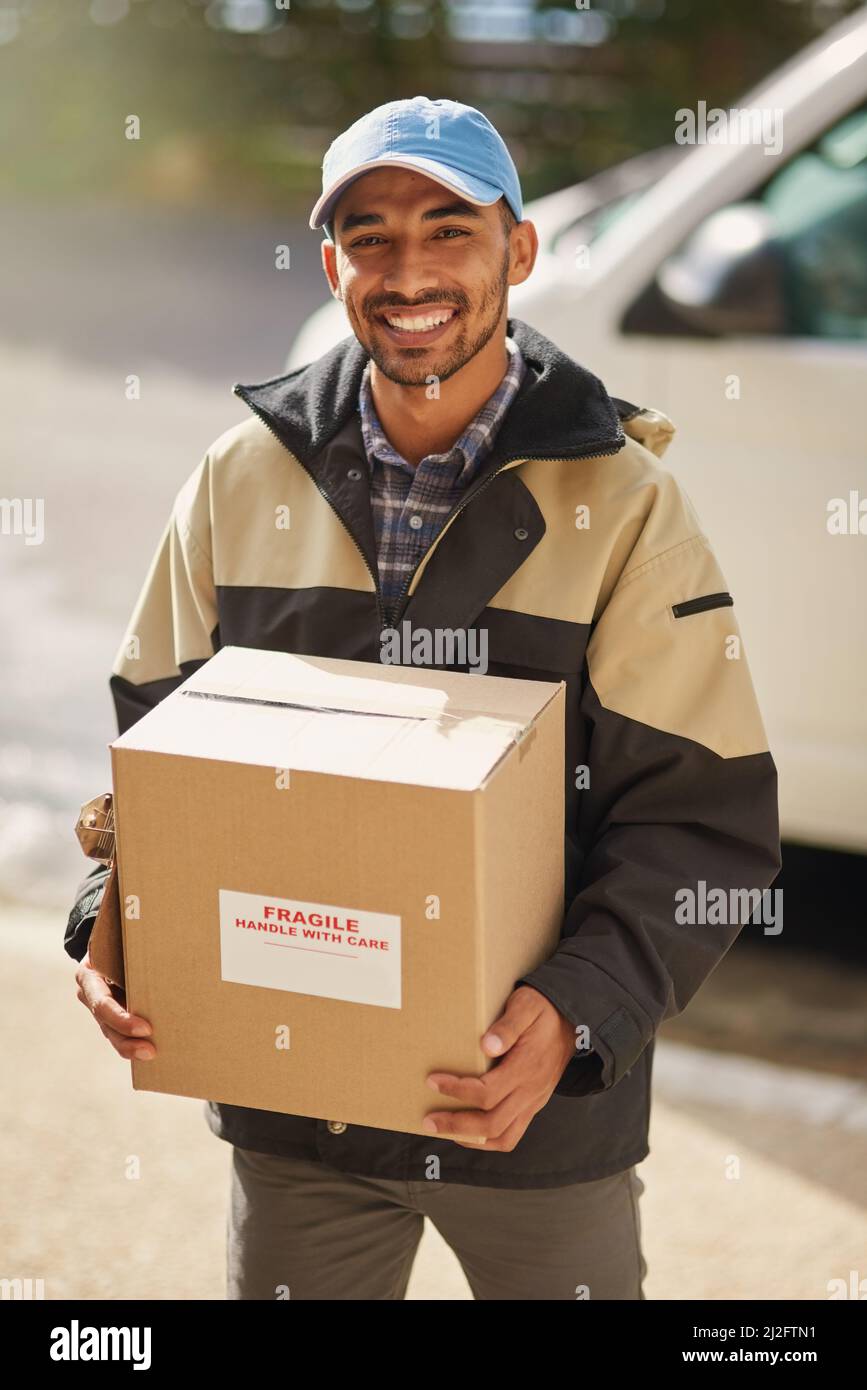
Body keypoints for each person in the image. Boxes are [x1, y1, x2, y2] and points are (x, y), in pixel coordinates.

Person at [65, 96, 781, 1301]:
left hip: (534, 1123)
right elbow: (155, 758)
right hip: (297, 1116)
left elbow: (700, 821)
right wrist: (109, 923)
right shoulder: (241, 479)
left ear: (520, 250)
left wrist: (572, 1016)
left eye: (450, 230)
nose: (410, 272)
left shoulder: (629, 507)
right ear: (335, 261)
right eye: (372, 236)